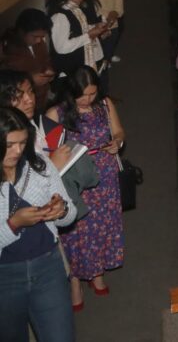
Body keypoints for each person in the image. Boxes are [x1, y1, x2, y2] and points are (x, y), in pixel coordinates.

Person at [44, 66, 124, 311]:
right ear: (71, 92)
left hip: (105, 176)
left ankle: (97, 272)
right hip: (76, 179)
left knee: (102, 226)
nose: (89, 100)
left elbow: (119, 131)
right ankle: (76, 281)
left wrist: (117, 142)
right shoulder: (55, 114)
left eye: (93, 94)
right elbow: (46, 155)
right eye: (84, 95)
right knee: (77, 230)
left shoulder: (105, 104)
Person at [0, 106, 77, 341]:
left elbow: (70, 212)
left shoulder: (39, 166)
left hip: (48, 266)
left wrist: (60, 210)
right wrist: (14, 223)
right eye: (10, 144)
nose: (17, 150)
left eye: (23, 143)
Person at [48, 0, 107, 77]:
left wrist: (95, 28)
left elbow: (79, 29)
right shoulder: (60, 16)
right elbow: (62, 47)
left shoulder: (75, 9)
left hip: (80, 65)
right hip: (69, 70)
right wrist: (89, 35)